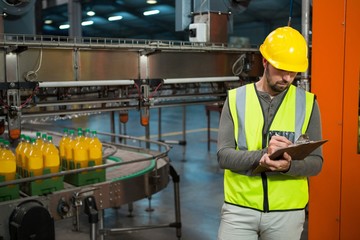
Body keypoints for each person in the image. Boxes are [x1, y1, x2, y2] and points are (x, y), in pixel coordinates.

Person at [216, 26, 323, 240]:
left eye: (293, 72)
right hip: (239, 209)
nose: (287, 77)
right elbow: (224, 156)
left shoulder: (308, 103)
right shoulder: (236, 99)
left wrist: (288, 166)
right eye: (281, 69)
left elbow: (317, 162)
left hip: (287, 213)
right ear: (265, 61)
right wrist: (264, 155)